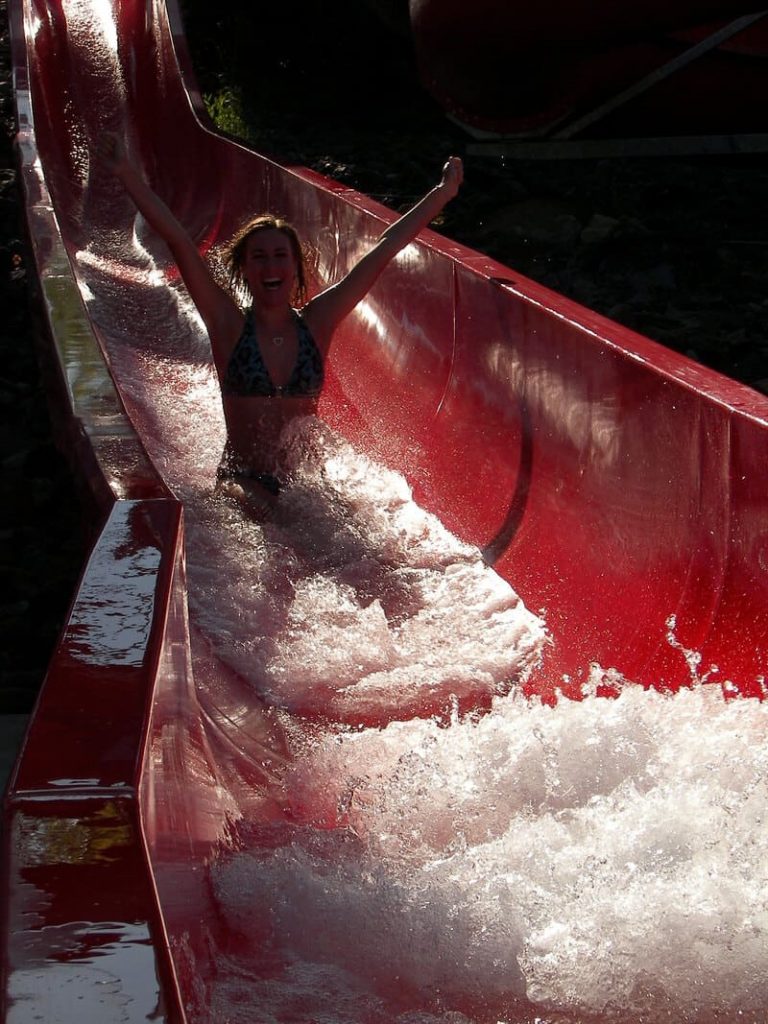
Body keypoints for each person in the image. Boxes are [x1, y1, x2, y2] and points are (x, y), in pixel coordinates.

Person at [101, 134, 463, 510]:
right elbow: (178, 240)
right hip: (242, 481)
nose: (270, 266)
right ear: (245, 268)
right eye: (259, 257)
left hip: (301, 484)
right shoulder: (228, 325)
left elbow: (385, 249)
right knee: (258, 506)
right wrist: (127, 174)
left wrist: (441, 193)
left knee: (345, 517)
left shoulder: (319, 321)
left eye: (279, 256)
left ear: (295, 266)